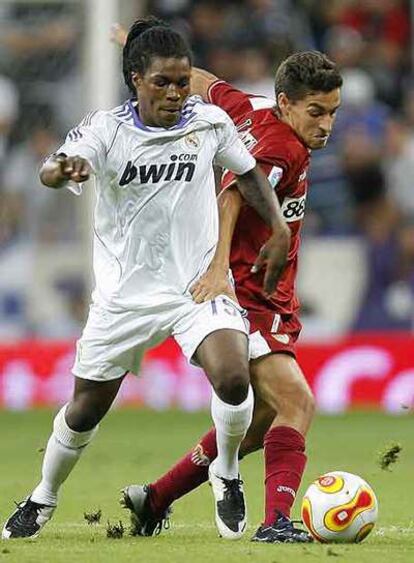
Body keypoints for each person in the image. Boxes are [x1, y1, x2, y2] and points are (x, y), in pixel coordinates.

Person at [2, 18, 290, 541]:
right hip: (124, 298)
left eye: (182, 81)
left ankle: (225, 469)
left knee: (232, 375)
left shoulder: (208, 122)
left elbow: (248, 174)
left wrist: (278, 228)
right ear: (136, 78)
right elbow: (57, 165)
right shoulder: (106, 129)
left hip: (193, 287)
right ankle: (44, 494)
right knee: (85, 410)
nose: (176, 93)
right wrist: (62, 171)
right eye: (163, 82)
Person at [113, 23, 342, 544]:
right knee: (296, 404)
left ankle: (155, 498)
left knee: (260, 418)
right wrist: (218, 270)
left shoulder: (252, 107)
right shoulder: (283, 148)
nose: (327, 124)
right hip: (244, 293)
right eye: (317, 112)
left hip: (267, 293)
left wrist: (137, 44)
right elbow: (234, 192)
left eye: (333, 112)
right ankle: (275, 523)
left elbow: (203, 81)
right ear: (287, 103)